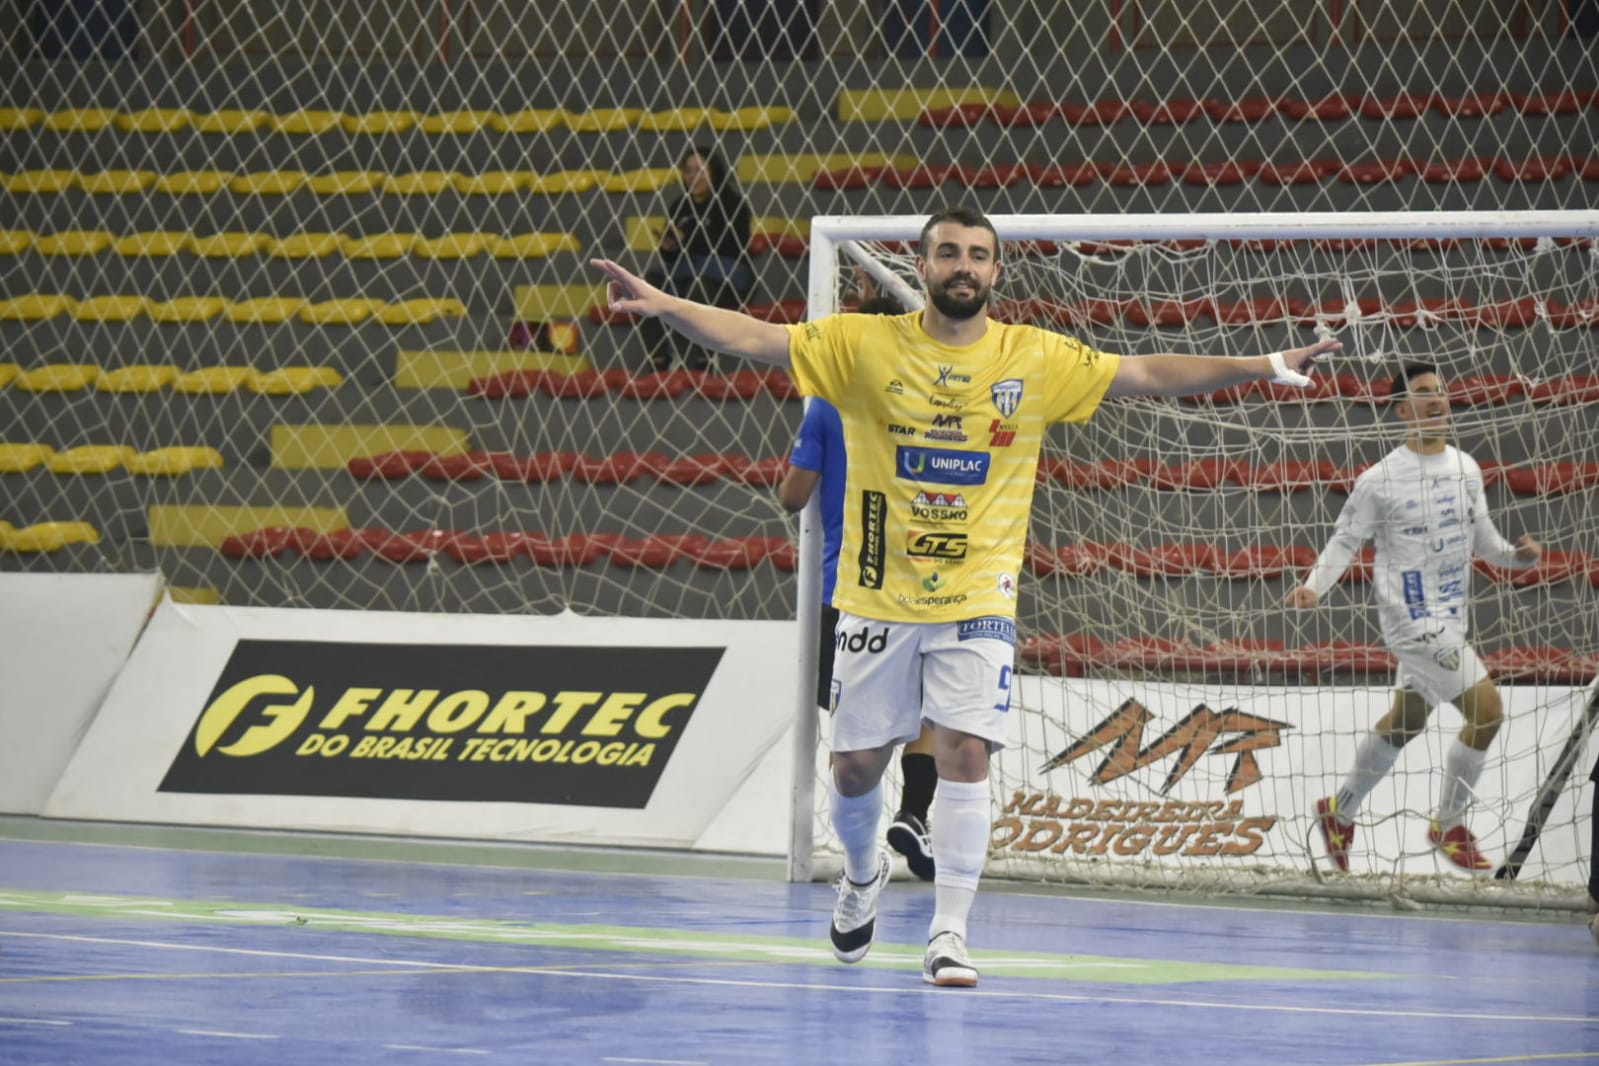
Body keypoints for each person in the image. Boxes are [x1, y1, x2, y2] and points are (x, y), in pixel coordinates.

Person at [592, 205, 1338, 988]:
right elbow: (756, 337)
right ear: (922, 265)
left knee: (966, 753)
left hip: (980, 594)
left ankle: (948, 932)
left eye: (977, 255)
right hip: (876, 596)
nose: (963, 266)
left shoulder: (1032, 357)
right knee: (853, 770)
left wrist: (1259, 363)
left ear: (994, 272)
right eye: (948, 252)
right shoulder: (862, 344)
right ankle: (858, 874)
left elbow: (1145, 372)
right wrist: (667, 305)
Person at [1287, 361, 1541, 875]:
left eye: (1442, 391)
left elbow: (1485, 540)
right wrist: (1314, 586)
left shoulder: (1466, 468)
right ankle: (1448, 824)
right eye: (1424, 393)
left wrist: (1518, 556)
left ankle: (1339, 813)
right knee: (1487, 711)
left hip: (1451, 617)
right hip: (1409, 620)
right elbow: (1344, 540)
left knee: (1404, 723)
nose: (1437, 399)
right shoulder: (1378, 479)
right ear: (1403, 409)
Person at [778, 291, 939, 882]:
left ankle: (861, 860)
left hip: (844, 590)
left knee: (858, 736)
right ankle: (915, 812)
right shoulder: (928, 397)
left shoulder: (827, 401)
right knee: (930, 713)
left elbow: (793, 496)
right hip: (921, 584)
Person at [640, 145, 753, 372]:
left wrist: (689, 238)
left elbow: (735, 247)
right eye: (689, 170)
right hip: (685, 272)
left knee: (699, 287)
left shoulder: (733, 204)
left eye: (700, 170)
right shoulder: (679, 205)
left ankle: (704, 359)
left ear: (714, 171)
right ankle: (659, 360)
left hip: (723, 278)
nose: (693, 176)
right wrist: (669, 247)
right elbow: (672, 254)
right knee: (648, 285)